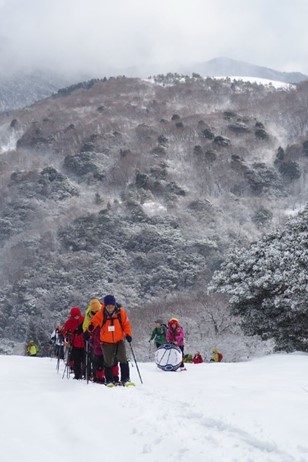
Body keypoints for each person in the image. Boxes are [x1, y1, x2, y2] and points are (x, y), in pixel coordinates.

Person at [88, 294, 132, 386]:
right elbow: (93, 322)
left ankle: (126, 379)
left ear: (114, 305)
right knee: (108, 361)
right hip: (106, 342)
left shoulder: (121, 313)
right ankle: (109, 380)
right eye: (108, 306)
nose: (110, 308)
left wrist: (128, 334)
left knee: (123, 359)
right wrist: (88, 331)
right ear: (105, 305)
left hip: (119, 340)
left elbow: (126, 324)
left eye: (111, 306)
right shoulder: (101, 313)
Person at [62, 307, 85, 380]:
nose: (77, 317)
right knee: (76, 360)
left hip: (84, 343)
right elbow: (65, 331)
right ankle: (77, 375)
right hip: (75, 344)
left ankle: (84, 373)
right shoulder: (69, 322)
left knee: (84, 359)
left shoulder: (83, 319)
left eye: (78, 315)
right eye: (75, 316)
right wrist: (67, 336)